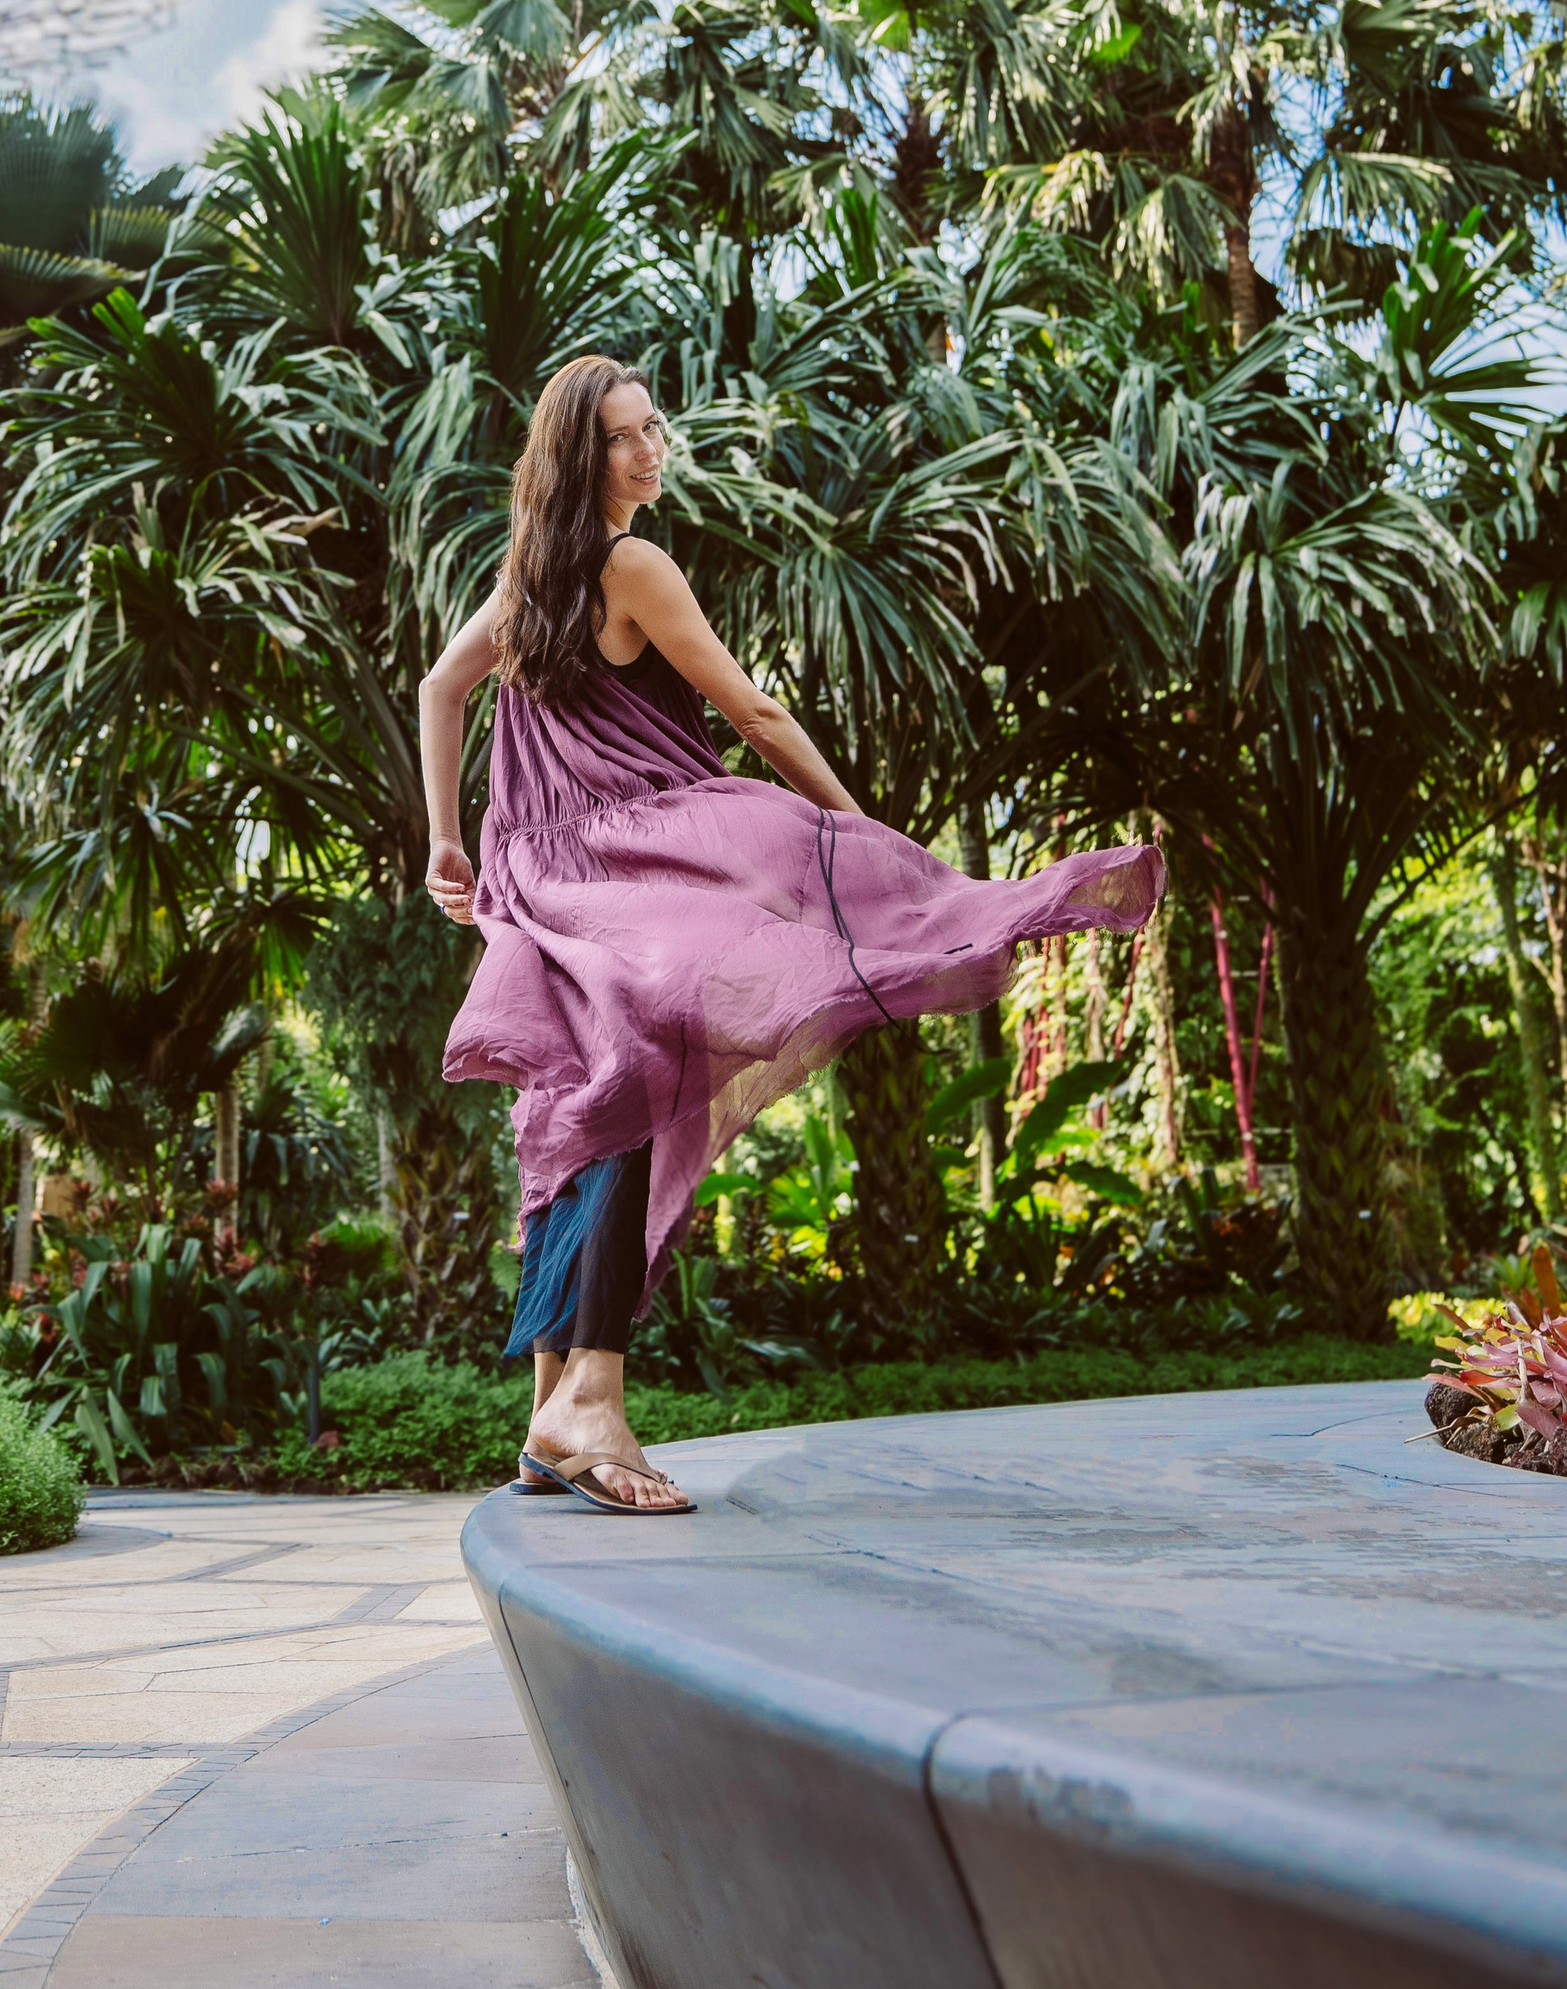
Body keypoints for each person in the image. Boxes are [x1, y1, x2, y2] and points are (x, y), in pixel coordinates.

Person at [419, 353, 1165, 1515]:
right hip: (629, 860)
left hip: (540, 875)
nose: (650, 448)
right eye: (624, 435)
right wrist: (857, 830)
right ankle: (592, 1396)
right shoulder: (629, 563)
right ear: (580, 455)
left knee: (575, 1109)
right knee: (632, 1090)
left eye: (652, 425)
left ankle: (547, 1411)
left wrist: (447, 842)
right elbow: (755, 711)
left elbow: (440, 686)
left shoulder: (526, 578)